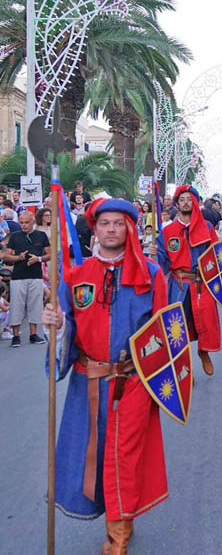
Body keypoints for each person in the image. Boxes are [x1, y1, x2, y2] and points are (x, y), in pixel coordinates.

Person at [41, 198, 170, 554]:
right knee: (91, 457)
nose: (111, 229)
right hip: (88, 382)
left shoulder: (152, 274)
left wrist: (155, 383)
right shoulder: (76, 276)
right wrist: (57, 322)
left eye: (118, 223)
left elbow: (163, 330)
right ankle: (115, 515)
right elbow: (68, 326)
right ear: (94, 230)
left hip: (133, 383)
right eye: (105, 224)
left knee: (124, 456)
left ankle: (118, 535)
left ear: (129, 229)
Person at [151, 185, 221, 376]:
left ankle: (203, 350)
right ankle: (183, 368)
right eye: (182, 200)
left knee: (206, 321)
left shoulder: (206, 227)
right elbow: (162, 264)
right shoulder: (167, 232)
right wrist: (155, 254)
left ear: (195, 203)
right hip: (179, 284)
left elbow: (216, 256)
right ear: (176, 204)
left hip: (201, 283)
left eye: (189, 199)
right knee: (177, 327)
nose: (185, 203)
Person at [5, 211, 51, 347]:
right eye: (21, 222)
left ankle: (33, 334)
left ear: (33, 222)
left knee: (35, 304)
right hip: (18, 276)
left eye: (26, 222)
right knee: (16, 305)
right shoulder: (15, 236)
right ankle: (16, 335)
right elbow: (6, 256)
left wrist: (39, 259)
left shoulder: (41, 235)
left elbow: (50, 254)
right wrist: (18, 257)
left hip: (36, 275)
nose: (24, 225)